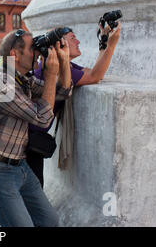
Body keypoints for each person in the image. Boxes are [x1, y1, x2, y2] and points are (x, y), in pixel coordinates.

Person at [0, 29, 73, 227]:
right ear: (14, 55)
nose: (37, 52)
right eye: (33, 48)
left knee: (49, 221)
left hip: (19, 165)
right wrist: (50, 75)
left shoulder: (22, 80)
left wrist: (63, 60)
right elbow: (42, 118)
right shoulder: (0, 83)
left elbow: (62, 92)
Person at [27, 22, 121, 188]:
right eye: (73, 38)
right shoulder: (57, 70)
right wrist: (112, 45)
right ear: (60, 44)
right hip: (26, 144)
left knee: (33, 192)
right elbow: (95, 76)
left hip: (31, 140)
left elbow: (92, 72)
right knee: (31, 194)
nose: (78, 42)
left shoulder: (66, 66)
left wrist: (104, 43)